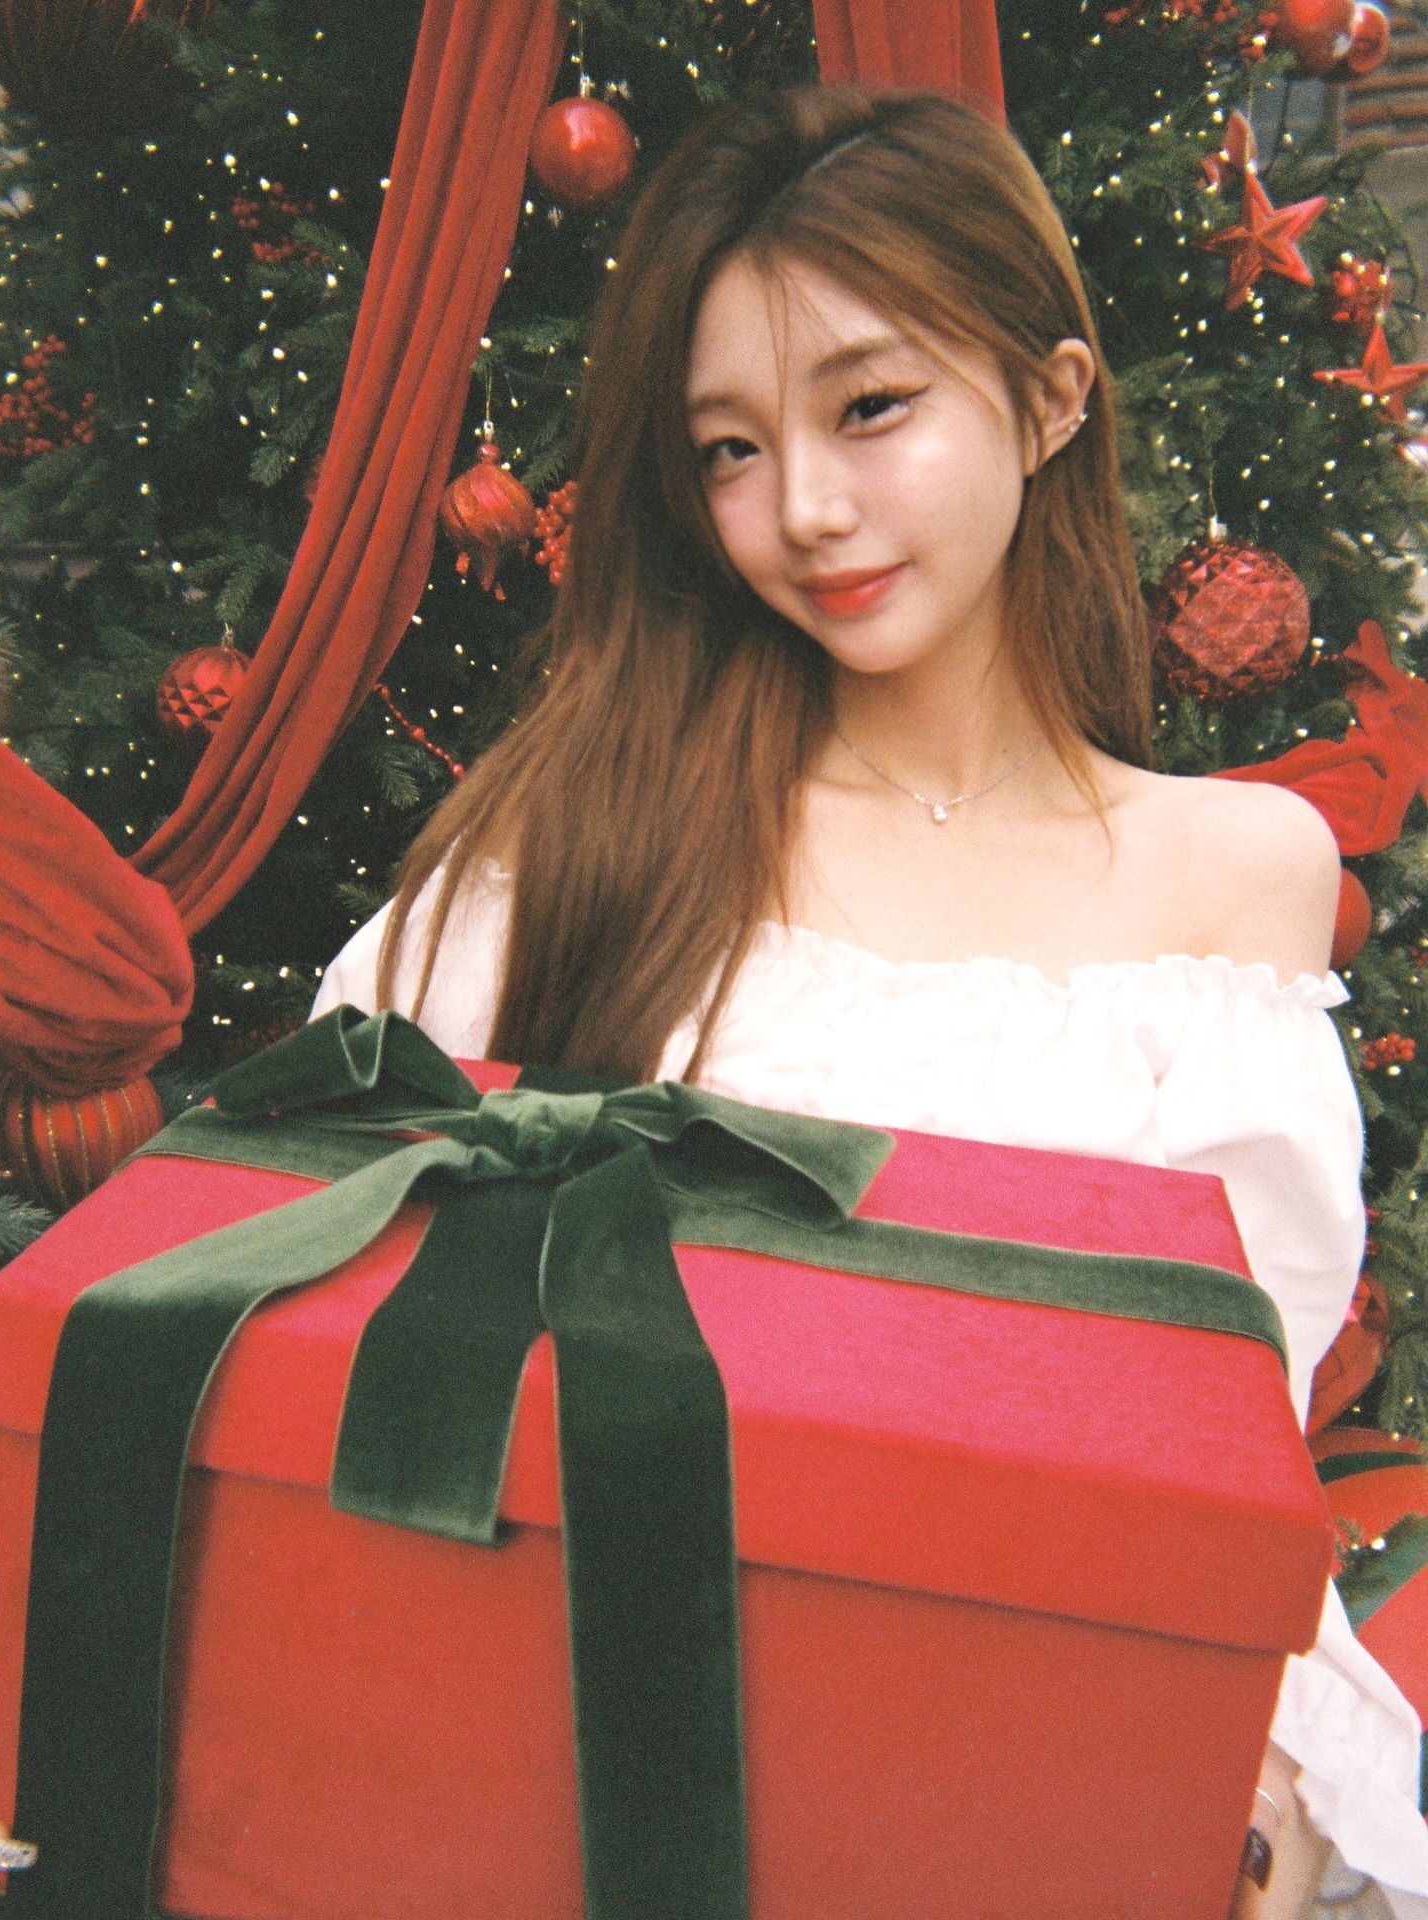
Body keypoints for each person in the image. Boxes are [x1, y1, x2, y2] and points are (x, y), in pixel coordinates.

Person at [313, 86, 1428, 1920]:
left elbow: (1231, 1474)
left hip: (1024, 1802)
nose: (804, 511)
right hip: (573, 1781)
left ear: (1050, 399)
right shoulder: (585, 830)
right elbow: (334, 1293)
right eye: (730, 449)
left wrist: (1268, 1792)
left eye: (870, 406)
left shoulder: (1232, 877)